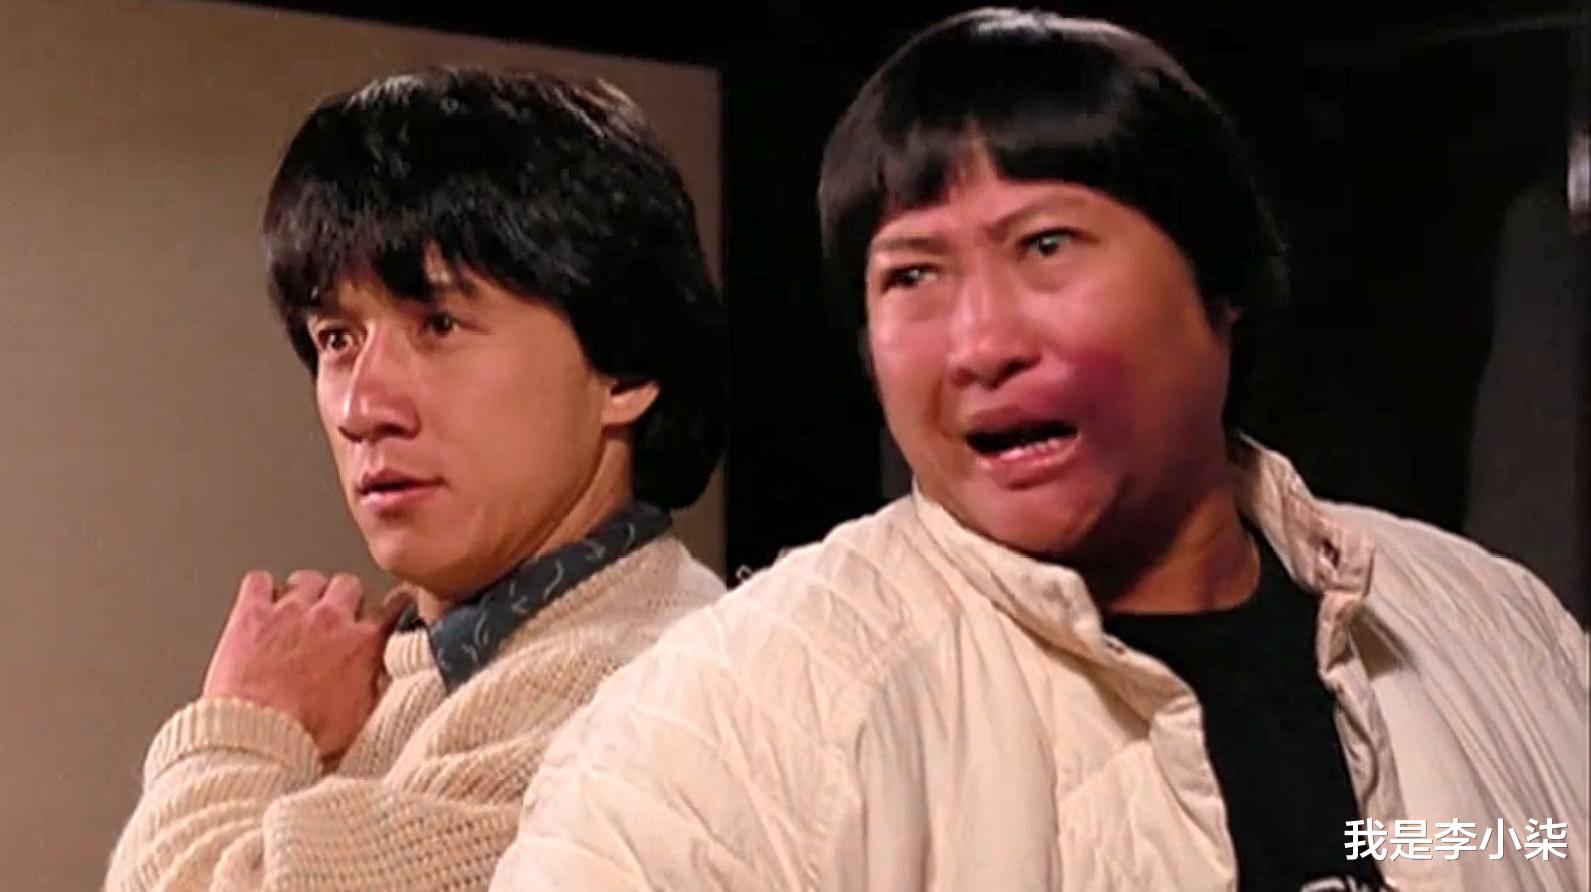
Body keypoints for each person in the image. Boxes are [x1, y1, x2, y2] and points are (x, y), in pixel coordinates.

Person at [491, 10, 1587, 891]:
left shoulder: (1491, 624)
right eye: (912, 274)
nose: (980, 344)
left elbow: (1515, 841)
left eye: (1047, 244)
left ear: (1221, 286)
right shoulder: (723, 730)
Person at [104, 66, 726, 891]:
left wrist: (242, 727)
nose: (361, 407)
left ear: (625, 366)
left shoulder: (645, 696)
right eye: (336, 339)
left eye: (438, 324)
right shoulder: (397, 669)